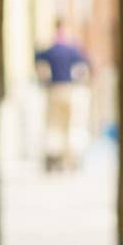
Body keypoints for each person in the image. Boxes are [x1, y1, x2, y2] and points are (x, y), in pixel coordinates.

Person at [35, 19, 90, 171]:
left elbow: (37, 55)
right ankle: (68, 159)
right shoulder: (71, 49)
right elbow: (86, 61)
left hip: (54, 90)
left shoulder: (51, 50)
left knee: (54, 126)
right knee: (67, 126)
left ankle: (56, 158)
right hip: (68, 89)